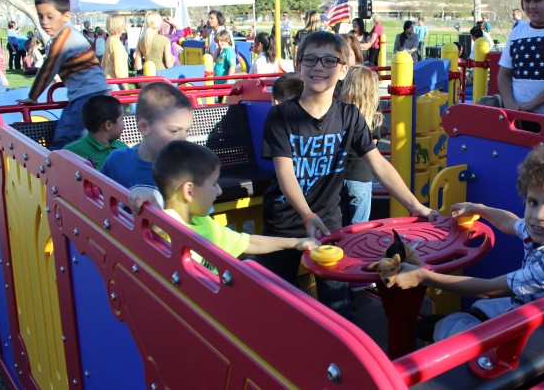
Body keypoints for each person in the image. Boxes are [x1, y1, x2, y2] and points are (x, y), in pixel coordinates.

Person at [259, 31, 439, 316]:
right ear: (299, 65)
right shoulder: (281, 116)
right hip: (284, 222)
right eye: (311, 59)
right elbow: (285, 173)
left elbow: (378, 164)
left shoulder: (349, 116)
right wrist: (307, 215)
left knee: (338, 304)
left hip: (328, 224)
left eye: (330, 60)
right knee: (279, 304)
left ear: (344, 69)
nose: (319, 66)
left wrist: (416, 206)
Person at [395, 142, 544, 342]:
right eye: (533, 202)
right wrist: (478, 208)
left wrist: (424, 277)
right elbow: (510, 223)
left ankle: (444, 329)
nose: (538, 215)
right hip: (534, 303)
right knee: (484, 306)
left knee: (457, 334)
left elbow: (487, 288)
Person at [153, 140, 319, 272]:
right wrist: (146, 194)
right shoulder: (168, 224)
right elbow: (156, 223)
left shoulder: (206, 225)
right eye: (213, 184)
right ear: (189, 191)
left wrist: (295, 243)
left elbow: (248, 242)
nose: (219, 191)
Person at [17, 0, 110, 150]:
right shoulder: (71, 35)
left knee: (66, 139)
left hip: (87, 96)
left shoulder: (64, 38)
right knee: (89, 140)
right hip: (97, 92)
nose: (44, 22)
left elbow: (49, 68)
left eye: (50, 17)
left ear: (66, 16)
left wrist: (33, 97)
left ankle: (56, 169)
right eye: (40, 16)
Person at [101, 82, 192, 189]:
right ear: (145, 127)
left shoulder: (187, 169)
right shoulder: (117, 161)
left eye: (187, 130)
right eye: (174, 131)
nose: (184, 139)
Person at [338, 65, 384, 226]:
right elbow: (373, 145)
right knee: (359, 228)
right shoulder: (374, 116)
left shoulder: (337, 110)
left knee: (339, 226)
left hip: (338, 176)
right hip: (361, 177)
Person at [63, 95, 127, 170]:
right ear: (108, 125)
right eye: (122, 119)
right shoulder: (72, 152)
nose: (124, 123)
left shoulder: (123, 148)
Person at [102, 14, 130, 89]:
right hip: (116, 82)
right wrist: (125, 86)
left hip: (108, 79)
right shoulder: (116, 43)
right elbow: (118, 67)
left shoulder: (109, 39)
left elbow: (103, 62)